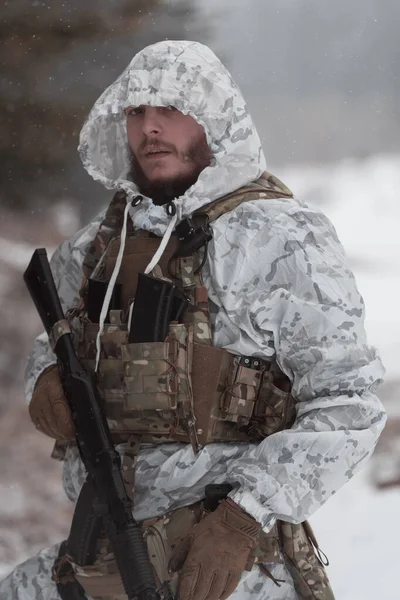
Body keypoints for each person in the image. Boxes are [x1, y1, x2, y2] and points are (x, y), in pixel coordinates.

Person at [0, 40, 386, 600]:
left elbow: (349, 403)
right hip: (104, 550)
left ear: (214, 118)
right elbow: (53, 339)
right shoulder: (98, 245)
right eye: (136, 112)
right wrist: (43, 381)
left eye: (171, 109)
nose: (150, 128)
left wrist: (243, 517)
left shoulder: (281, 239)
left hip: (226, 563)